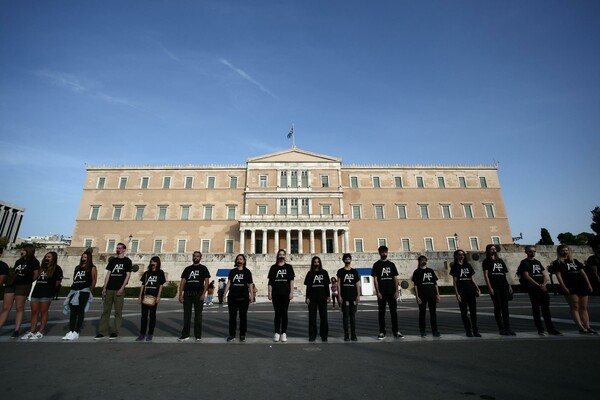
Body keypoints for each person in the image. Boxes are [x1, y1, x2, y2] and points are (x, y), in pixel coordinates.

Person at [517, 245, 563, 336]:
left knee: (546, 309)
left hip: (542, 288)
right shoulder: (524, 262)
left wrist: (544, 284)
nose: (532, 253)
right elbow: (526, 276)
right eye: (530, 251)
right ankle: (540, 329)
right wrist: (538, 285)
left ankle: (551, 328)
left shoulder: (537, 262)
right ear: (526, 252)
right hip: (533, 289)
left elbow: (544, 274)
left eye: (534, 251)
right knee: (536, 309)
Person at [553, 245, 596, 334]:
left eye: (566, 250)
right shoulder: (557, 262)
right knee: (575, 306)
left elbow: (583, 273)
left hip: (581, 284)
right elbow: (558, 275)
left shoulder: (575, 261)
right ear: (559, 252)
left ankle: (588, 327)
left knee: (584, 307)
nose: (565, 252)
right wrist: (564, 287)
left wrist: (589, 284)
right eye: (563, 250)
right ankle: (581, 327)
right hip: (570, 285)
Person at [0, 244, 40, 338]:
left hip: (23, 285)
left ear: (28, 251)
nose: (21, 251)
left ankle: (16, 329)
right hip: (12, 284)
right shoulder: (18, 261)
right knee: (6, 307)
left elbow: (35, 274)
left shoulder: (34, 262)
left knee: (19, 307)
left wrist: (28, 282)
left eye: (23, 250)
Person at [21, 251, 63, 340]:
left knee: (43, 311)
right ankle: (32, 331)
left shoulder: (57, 269)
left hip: (46, 292)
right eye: (46, 256)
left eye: (49, 257)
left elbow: (58, 282)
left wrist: (50, 289)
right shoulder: (41, 268)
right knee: (34, 312)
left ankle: (40, 331)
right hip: (37, 292)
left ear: (53, 258)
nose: (47, 258)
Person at [95, 242, 132, 340]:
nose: (118, 249)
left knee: (118, 312)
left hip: (119, 289)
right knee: (105, 311)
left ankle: (115, 331)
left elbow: (128, 275)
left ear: (124, 249)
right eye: (117, 248)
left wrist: (122, 288)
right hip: (109, 288)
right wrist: (104, 287)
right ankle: (102, 332)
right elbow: (108, 274)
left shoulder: (127, 261)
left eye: (120, 248)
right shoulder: (112, 261)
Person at [63, 251, 97, 340]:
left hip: (84, 291)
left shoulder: (92, 268)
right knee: (73, 311)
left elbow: (94, 280)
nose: (83, 259)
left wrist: (90, 291)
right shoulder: (77, 267)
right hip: (74, 290)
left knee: (80, 311)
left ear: (89, 258)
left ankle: (76, 331)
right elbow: (75, 279)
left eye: (85, 257)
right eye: (82, 257)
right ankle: (71, 330)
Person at [482, 244, 515, 336]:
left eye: (494, 248)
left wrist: (509, 285)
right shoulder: (486, 261)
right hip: (494, 286)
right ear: (488, 250)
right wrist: (489, 287)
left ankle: (508, 328)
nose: (493, 250)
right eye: (491, 249)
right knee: (498, 306)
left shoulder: (500, 261)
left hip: (503, 285)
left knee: (505, 307)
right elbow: (486, 275)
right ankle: (501, 328)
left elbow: (504, 274)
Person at [178, 251, 211, 341]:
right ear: (192, 257)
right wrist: (180, 294)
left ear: (200, 258)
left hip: (198, 294)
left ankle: (198, 335)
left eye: (197, 256)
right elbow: (183, 282)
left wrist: (204, 294)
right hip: (188, 294)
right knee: (186, 315)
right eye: (194, 256)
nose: (196, 257)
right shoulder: (187, 269)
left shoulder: (203, 268)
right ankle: (185, 334)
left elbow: (206, 282)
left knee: (198, 316)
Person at [371, 245, 402, 339]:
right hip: (382, 292)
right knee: (381, 313)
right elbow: (375, 279)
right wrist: (378, 292)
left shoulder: (392, 265)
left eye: (385, 252)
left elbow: (395, 278)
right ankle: (382, 332)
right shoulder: (376, 265)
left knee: (394, 313)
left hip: (392, 292)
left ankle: (396, 331)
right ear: (379, 253)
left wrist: (397, 291)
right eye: (383, 252)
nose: (384, 254)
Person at [450, 250, 481, 337]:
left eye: (463, 254)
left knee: (473, 311)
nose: (461, 256)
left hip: (470, 290)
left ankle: (475, 330)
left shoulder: (468, 265)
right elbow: (455, 281)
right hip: (461, 291)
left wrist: (477, 288)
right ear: (456, 256)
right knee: (464, 312)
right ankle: (468, 330)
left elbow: (472, 278)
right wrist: (457, 293)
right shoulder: (455, 266)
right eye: (459, 254)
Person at [223, 254, 254, 342]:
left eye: (241, 259)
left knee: (243, 317)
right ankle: (232, 334)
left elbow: (250, 284)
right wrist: (224, 294)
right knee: (232, 317)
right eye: (238, 259)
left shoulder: (247, 272)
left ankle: (242, 334)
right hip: (232, 297)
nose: (239, 260)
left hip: (243, 297)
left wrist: (252, 295)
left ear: (244, 261)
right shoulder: (232, 272)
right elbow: (229, 283)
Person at [268, 249, 295, 342]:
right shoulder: (273, 267)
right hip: (276, 293)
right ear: (277, 256)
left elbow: (291, 281)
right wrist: (269, 293)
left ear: (285, 256)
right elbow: (270, 282)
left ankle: (284, 332)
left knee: (284, 313)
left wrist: (291, 293)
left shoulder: (289, 267)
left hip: (285, 293)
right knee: (277, 313)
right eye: (280, 254)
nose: (281, 256)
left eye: (283, 254)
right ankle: (276, 332)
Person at [136, 256, 166, 342]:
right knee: (144, 316)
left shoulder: (160, 272)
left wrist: (159, 296)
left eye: (155, 262)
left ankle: (150, 334)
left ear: (158, 263)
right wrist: (139, 296)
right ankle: (142, 333)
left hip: (154, 297)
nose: (153, 263)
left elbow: (161, 285)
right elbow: (142, 285)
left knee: (152, 316)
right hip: (145, 296)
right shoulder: (146, 273)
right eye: (152, 261)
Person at [411, 255, 440, 337]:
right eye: (422, 260)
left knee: (433, 313)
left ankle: (435, 330)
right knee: (422, 314)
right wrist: (417, 296)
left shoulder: (430, 271)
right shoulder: (416, 272)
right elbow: (415, 285)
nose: (423, 261)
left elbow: (435, 283)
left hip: (432, 294)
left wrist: (438, 294)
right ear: (419, 262)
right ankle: (422, 331)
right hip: (422, 295)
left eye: (425, 260)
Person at [304, 256, 330, 342]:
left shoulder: (325, 273)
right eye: (315, 262)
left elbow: (327, 286)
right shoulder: (309, 273)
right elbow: (308, 287)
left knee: (324, 317)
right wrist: (307, 297)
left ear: (320, 263)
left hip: (322, 297)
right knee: (312, 318)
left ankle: (324, 335)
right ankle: (312, 336)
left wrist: (328, 296)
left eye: (318, 262)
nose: (316, 263)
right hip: (312, 298)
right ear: (313, 263)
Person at [337, 253, 360, 341]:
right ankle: (346, 335)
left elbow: (357, 284)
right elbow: (339, 284)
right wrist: (339, 296)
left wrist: (358, 295)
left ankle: (353, 335)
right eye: (346, 259)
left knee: (352, 317)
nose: (347, 260)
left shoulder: (354, 271)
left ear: (350, 260)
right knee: (345, 317)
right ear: (343, 260)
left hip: (353, 297)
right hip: (344, 296)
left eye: (348, 259)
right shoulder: (340, 271)